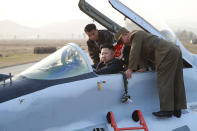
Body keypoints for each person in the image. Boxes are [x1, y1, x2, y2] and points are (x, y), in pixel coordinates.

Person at [115, 27, 187, 118]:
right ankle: (177, 109)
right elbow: (140, 53)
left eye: (122, 41)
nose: (123, 44)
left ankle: (167, 110)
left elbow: (135, 51)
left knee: (164, 80)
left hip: (165, 52)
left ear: (125, 34)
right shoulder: (139, 36)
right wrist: (143, 67)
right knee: (177, 79)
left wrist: (130, 68)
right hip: (173, 50)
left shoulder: (135, 35)